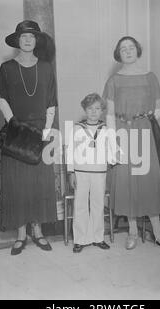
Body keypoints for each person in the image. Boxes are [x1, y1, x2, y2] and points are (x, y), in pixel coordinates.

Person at [103, 36, 160, 250]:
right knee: (127, 182)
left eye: (131, 47)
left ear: (137, 50)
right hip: (122, 133)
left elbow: (159, 108)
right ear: (118, 54)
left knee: (148, 181)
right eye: (123, 49)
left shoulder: (150, 77)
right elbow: (110, 115)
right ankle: (132, 232)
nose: (128, 51)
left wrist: (147, 115)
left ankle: (158, 233)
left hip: (144, 131)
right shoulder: (113, 80)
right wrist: (114, 142)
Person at [0, 20, 58, 255]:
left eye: (32, 36)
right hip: (15, 134)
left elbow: (51, 103)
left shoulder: (46, 68)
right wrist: (15, 125)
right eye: (23, 37)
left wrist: (44, 132)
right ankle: (21, 235)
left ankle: (38, 232)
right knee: (18, 186)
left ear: (37, 41)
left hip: (40, 133)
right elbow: (1, 99)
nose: (28, 40)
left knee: (38, 185)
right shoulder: (7, 68)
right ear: (18, 41)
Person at [67, 93, 119, 253]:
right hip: (81, 172)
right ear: (85, 109)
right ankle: (80, 239)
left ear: (102, 110)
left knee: (98, 204)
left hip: (99, 173)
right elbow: (70, 151)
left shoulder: (106, 129)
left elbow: (112, 150)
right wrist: (71, 172)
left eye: (97, 108)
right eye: (90, 108)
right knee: (80, 205)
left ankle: (98, 237)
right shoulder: (77, 128)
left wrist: (113, 158)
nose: (94, 112)